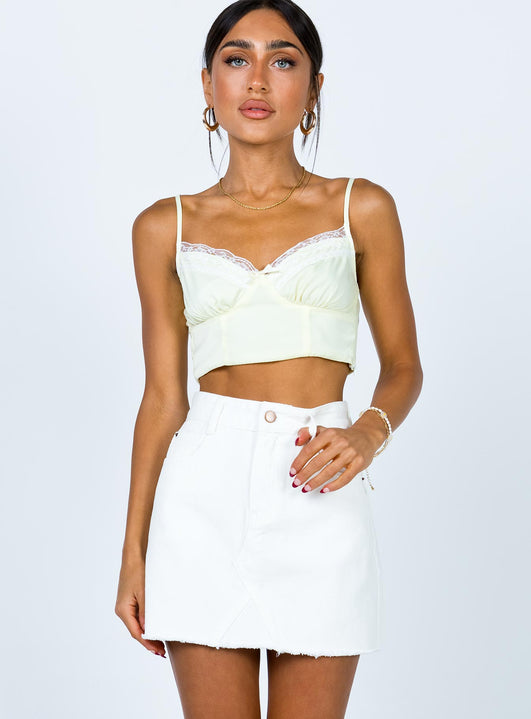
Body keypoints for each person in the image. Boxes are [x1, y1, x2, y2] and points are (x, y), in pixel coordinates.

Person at [115, 1, 423, 716]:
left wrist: (366, 432)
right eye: (236, 59)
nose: (257, 80)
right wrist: (133, 552)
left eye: (283, 60)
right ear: (207, 83)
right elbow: (162, 399)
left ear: (313, 89)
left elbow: (404, 364)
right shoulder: (163, 225)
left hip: (317, 482)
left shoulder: (360, 208)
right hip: (200, 501)